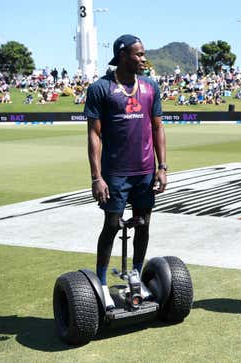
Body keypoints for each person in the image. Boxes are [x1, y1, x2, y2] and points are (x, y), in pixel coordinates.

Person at [84, 34, 167, 309]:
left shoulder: (150, 86)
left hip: (145, 172)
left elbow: (158, 128)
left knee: (143, 224)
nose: (144, 59)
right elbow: (94, 135)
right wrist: (97, 177)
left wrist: (162, 168)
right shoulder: (100, 88)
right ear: (123, 55)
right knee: (111, 225)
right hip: (115, 174)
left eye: (144, 54)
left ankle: (137, 274)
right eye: (139, 54)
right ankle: (103, 282)